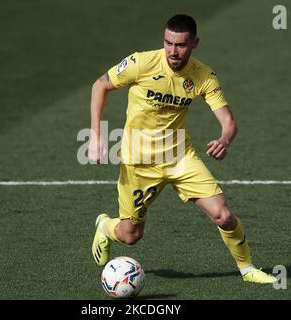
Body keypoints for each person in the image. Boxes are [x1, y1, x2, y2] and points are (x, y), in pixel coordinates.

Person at [88, 14, 276, 284]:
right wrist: (96, 134)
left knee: (223, 215)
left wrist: (224, 139)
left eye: (181, 45)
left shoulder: (203, 75)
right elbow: (100, 84)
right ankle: (105, 226)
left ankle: (247, 269)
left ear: (195, 43)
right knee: (131, 235)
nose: (173, 51)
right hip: (138, 163)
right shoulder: (141, 63)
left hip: (180, 158)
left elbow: (229, 122)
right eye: (168, 43)